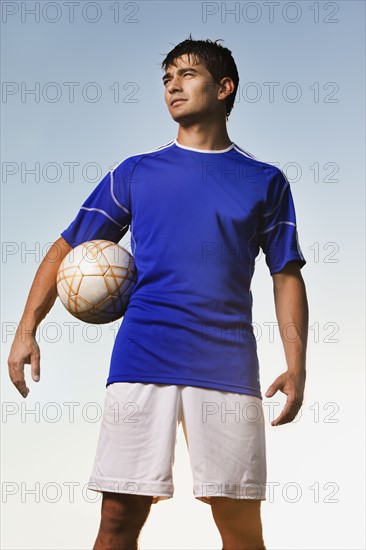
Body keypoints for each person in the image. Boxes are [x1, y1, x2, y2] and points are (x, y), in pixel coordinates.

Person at [8, 37, 308, 550]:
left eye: (187, 74)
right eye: (167, 77)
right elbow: (68, 244)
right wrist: (25, 329)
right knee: (118, 522)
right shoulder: (135, 172)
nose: (173, 84)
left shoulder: (265, 181)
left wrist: (297, 363)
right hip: (142, 358)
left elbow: (286, 273)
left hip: (227, 365)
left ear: (224, 88)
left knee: (240, 528)